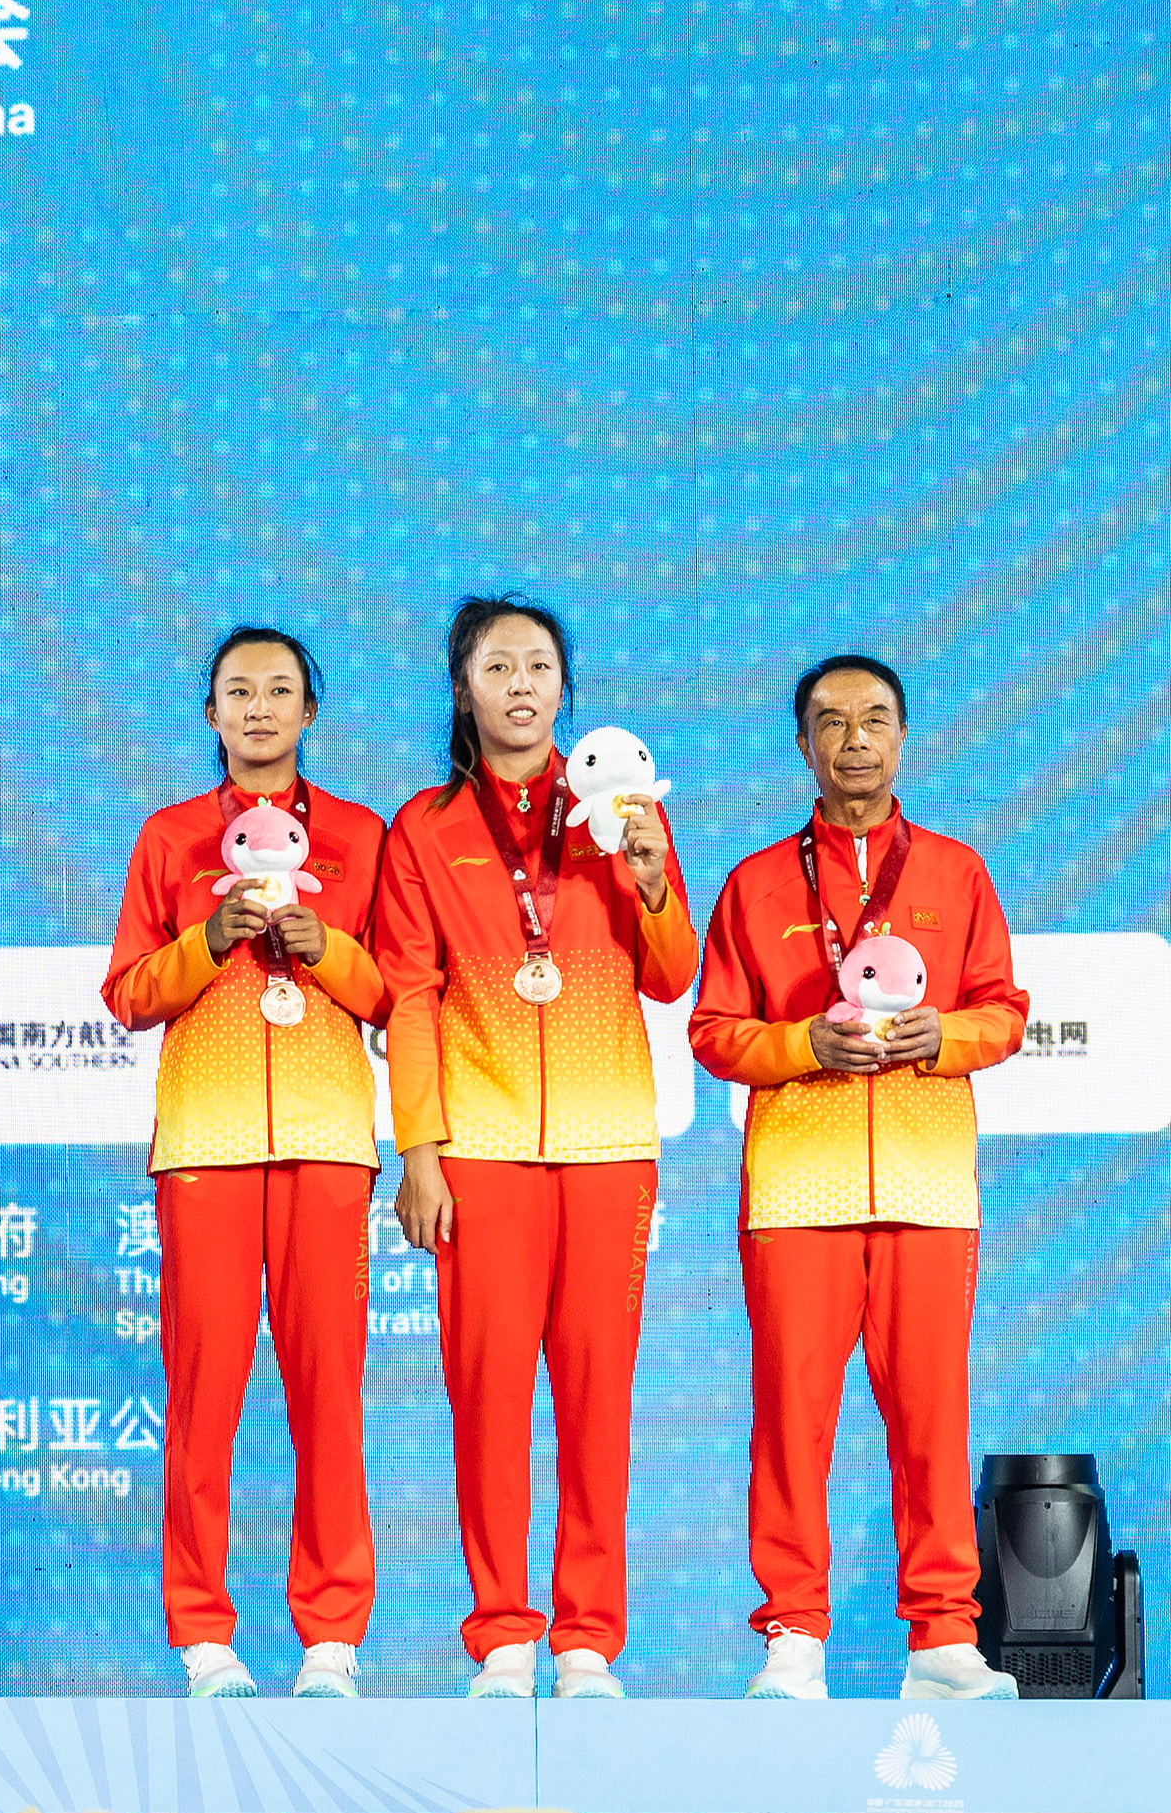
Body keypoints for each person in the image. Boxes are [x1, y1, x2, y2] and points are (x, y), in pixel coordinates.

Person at [374, 596, 694, 1700]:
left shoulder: (621, 804)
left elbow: (669, 971)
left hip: (607, 1146)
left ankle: (588, 1642)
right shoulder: (424, 828)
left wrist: (649, 877)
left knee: (597, 1399)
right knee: (488, 1395)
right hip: (482, 1149)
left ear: (566, 688)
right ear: (461, 687)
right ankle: (503, 1636)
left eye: (540, 665)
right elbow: (408, 996)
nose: (520, 683)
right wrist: (419, 1147)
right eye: (496, 664)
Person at [687, 654, 1024, 1700]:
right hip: (797, 1189)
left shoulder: (957, 873)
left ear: (903, 736)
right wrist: (801, 1048)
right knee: (792, 1419)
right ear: (801, 745)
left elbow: (1005, 1013)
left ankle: (941, 1643)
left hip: (927, 1190)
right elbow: (711, 1031)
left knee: (931, 1417)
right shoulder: (753, 882)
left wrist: (945, 1033)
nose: (853, 739)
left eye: (874, 719)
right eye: (829, 722)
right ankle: (792, 1637)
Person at [99, 628, 388, 1701]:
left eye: (279, 691)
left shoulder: (362, 836)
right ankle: (203, 1636)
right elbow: (128, 994)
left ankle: (330, 1638)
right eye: (237, 692)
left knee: (330, 1398)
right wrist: (206, 941)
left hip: (325, 1147)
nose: (258, 708)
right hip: (205, 1150)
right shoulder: (169, 838)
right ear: (206, 715)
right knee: (202, 1398)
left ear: (310, 711)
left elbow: (398, 995)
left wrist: (329, 951)